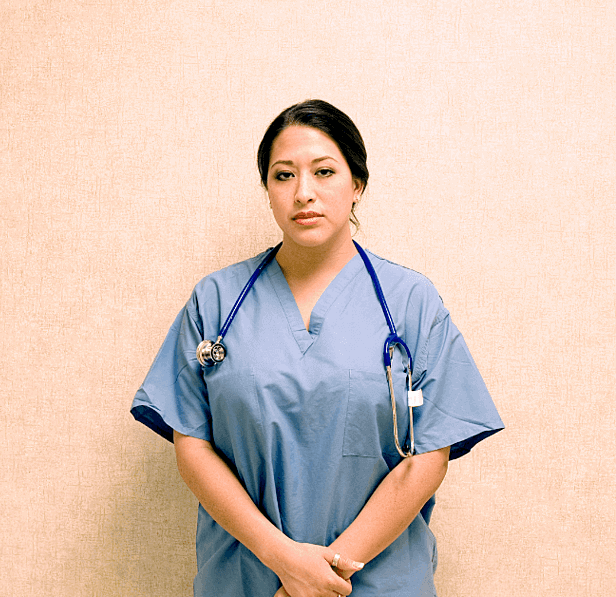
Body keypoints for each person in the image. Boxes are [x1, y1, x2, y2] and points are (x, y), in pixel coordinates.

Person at [131, 100, 503, 597]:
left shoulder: (411, 303)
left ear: (357, 185)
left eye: (324, 172)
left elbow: (427, 456)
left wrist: (325, 577)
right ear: (267, 191)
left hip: (375, 582)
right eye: (283, 176)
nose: (303, 193)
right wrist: (285, 562)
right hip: (248, 579)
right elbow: (192, 445)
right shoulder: (216, 300)